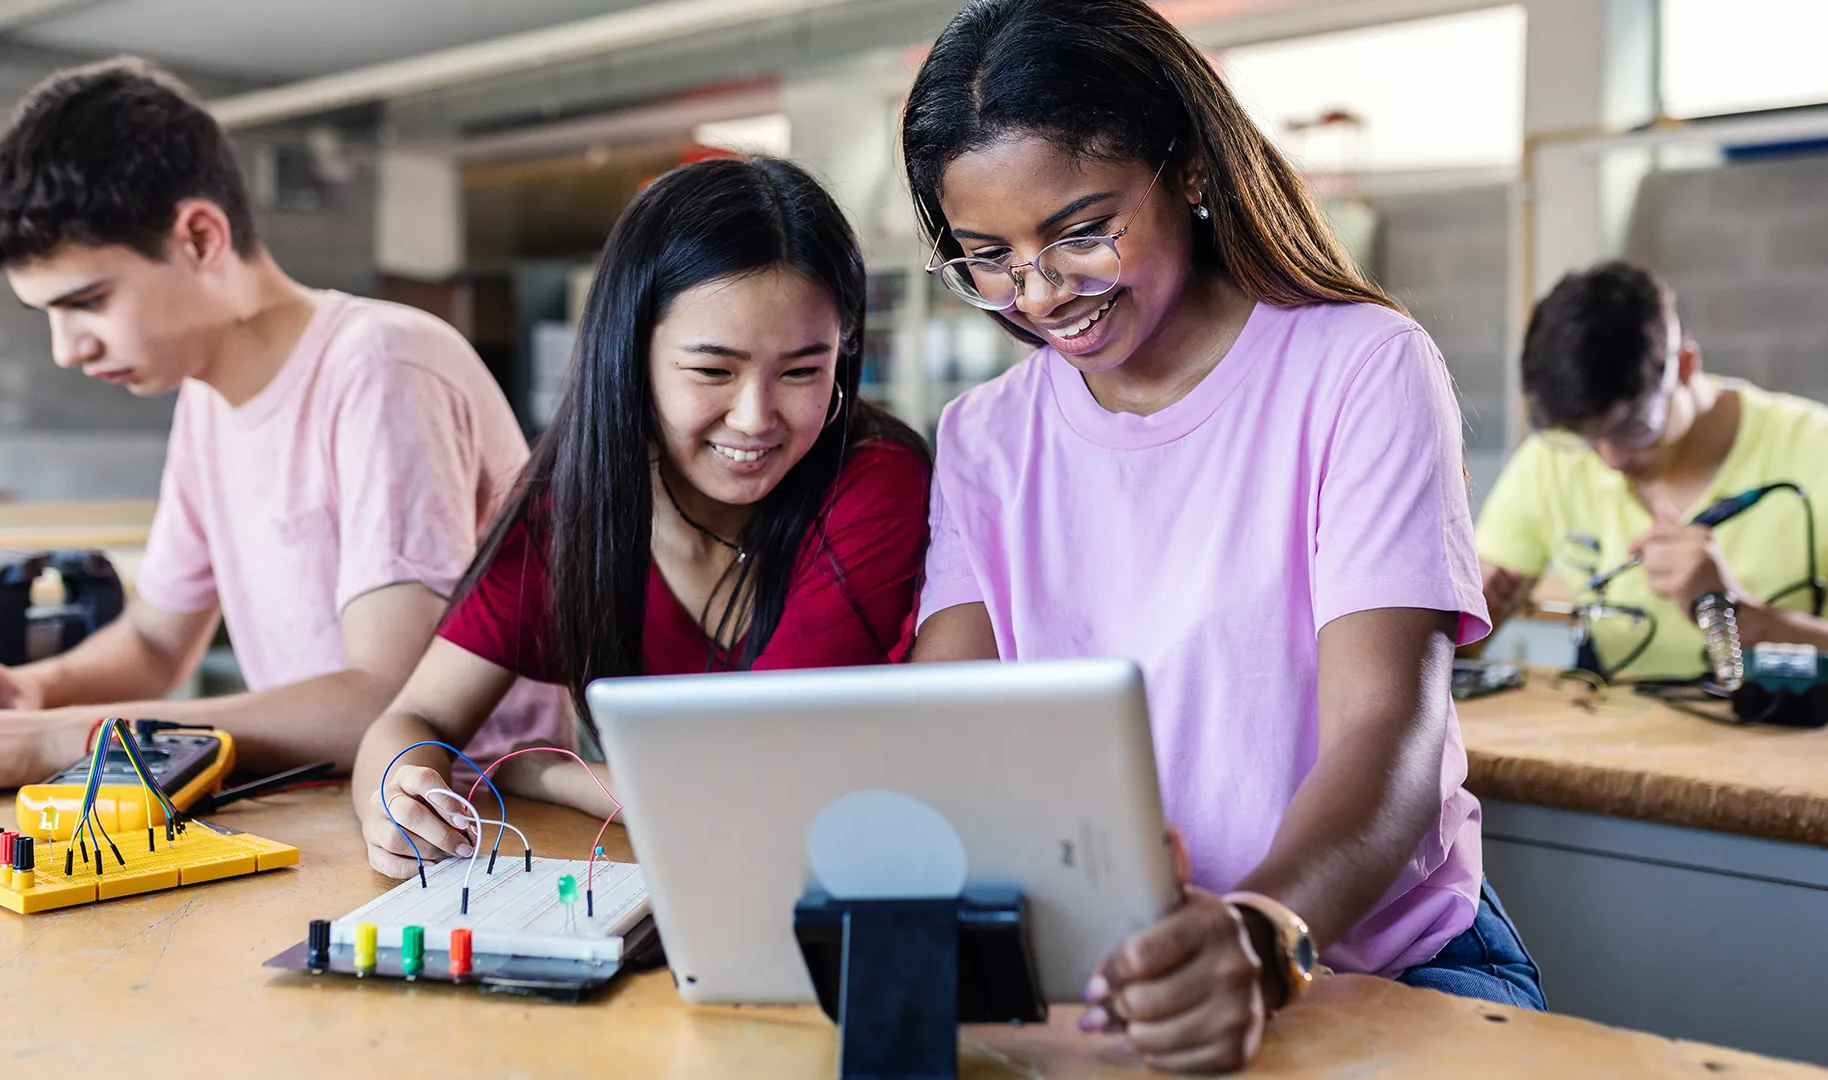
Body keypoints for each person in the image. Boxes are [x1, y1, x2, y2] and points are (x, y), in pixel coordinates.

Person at [901, 0, 1542, 1071]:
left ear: (1189, 169)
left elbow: (1390, 728)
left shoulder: (1359, 368)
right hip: (1120, 975)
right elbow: (952, 732)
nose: (1041, 293)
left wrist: (1261, 931)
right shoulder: (983, 438)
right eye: (989, 259)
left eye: (1080, 230)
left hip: (1379, 965)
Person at [0, 58, 563, 798]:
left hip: (485, 828)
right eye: (48, 316)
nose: (68, 349)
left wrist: (62, 736)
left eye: (86, 301)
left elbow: (385, 703)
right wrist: (33, 693)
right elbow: (157, 642)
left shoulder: (381, 365)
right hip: (332, 814)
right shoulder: (205, 402)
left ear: (199, 238)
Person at [352, 157, 932, 879]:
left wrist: (542, 775)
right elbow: (413, 722)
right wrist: (397, 798)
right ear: (631, 359)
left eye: (803, 372)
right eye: (713, 372)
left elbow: (752, 787)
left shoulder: (875, 483)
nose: (755, 418)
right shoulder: (572, 513)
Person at [1475, 260, 1828, 679]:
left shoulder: (1813, 448)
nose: (1611, 458)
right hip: (1617, 731)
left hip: (1782, 736)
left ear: (1684, 366)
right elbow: (1460, 642)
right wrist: (1474, 619)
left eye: (1633, 429)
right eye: (1587, 438)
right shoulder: (1552, 460)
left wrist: (1736, 613)